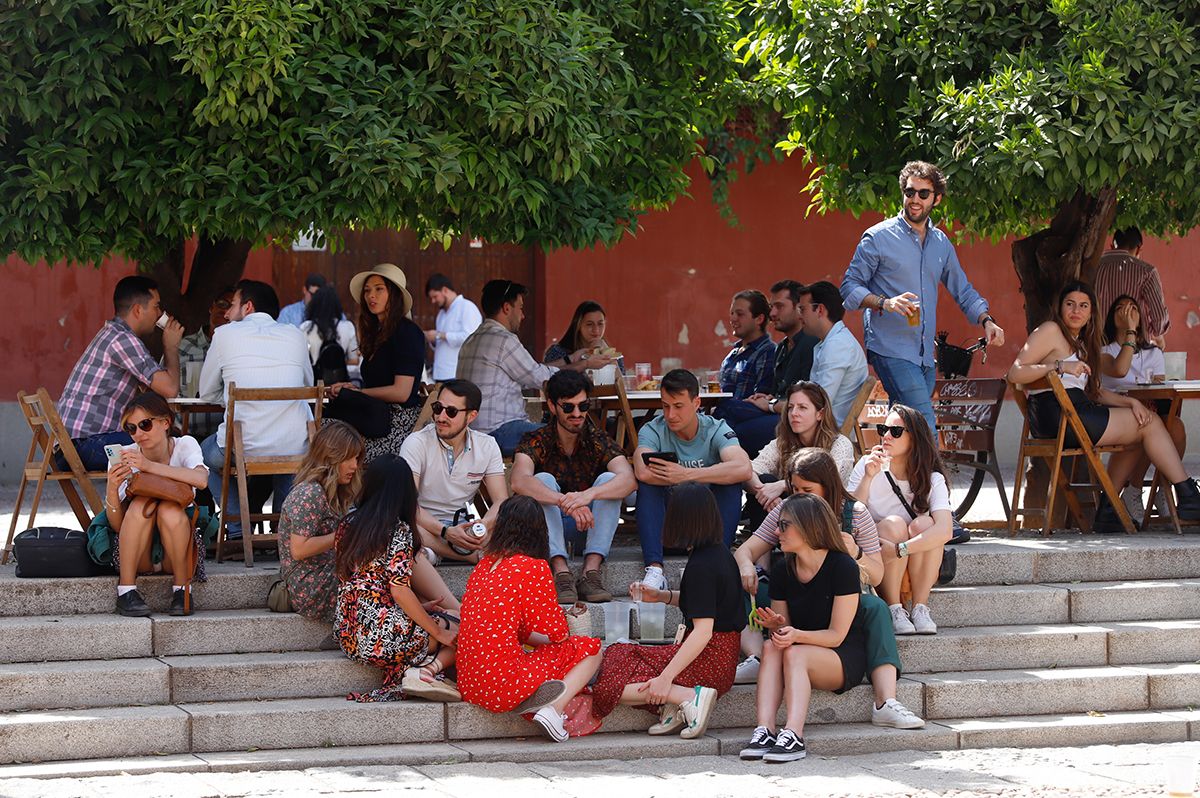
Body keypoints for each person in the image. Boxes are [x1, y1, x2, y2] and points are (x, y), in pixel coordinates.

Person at [734, 449, 924, 730]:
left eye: (807, 489)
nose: (799, 496)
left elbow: (877, 574)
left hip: (841, 597)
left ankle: (886, 701)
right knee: (740, 585)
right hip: (796, 592)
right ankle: (758, 656)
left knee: (875, 608)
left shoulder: (854, 514)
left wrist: (856, 553)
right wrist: (746, 567)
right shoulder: (786, 512)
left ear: (828, 486)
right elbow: (745, 551)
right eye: (794, 488)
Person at [1006, 281, 1200, 531]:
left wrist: (1130, 402)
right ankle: (1188, 496)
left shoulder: (1081, 343)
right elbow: (1015, 373)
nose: (1076, 310)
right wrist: (1059, 367)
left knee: (1141, 425)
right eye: (1070, 304)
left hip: (1071, 412)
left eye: (1083, 306)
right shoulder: (1050, 330)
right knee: (1150, 424)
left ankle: (1109, 510)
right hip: (1059, 414)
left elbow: (1094, 391)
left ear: (1091, 313)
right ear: (1060, 308)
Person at [840, 160, 1005, 435]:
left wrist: (987, 320)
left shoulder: (941, 243)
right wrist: (885, 302)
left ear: (936, 199)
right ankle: (936, 479)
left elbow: (962, 289)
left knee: (901, 428)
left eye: (923, 194)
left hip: (925, 356)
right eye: (909, 192)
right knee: (924, 424)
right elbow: (849, 287)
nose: (914, 199)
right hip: (890, 348)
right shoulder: (878, 237)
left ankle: (887, 476)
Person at [589, 483, 744, 738]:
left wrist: (665, 679)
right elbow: (707, 602)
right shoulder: (718, 554)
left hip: (708, 661)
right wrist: (662, 596)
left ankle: (686, 697)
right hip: (722, 658)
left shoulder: (701, 565)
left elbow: (703, 631)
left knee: (609, 682)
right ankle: (677, 703)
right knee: (620, 655)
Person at [456, 495, 603, 742]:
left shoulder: (484, 565)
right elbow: (558, 633)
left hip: (470, 686)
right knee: (591, 649)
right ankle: (554, 712)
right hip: (501, 687)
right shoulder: (532, 567)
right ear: (539, 530)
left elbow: (516, 629)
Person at [738, 493, 867, 763]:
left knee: (795, 653)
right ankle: (765, 730)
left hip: (841, 655)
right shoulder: (784, 569)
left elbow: (837, 635)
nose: (776, 531)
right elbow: (784, 634)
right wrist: (778, 627)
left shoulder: (843, 566)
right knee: (771, 646)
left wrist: (796, 636)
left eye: (785, 525)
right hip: (801, 649)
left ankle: (794, 735)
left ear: (810, 527)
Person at [334, 455, 461, 703]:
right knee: (460, 627)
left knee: (446, 619)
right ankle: (426, 673)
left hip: (349, 634)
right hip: (382, 636)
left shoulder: (346, 524)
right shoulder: (397, 530)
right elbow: (400, 590)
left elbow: (360, 585)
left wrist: (420, 610)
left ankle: (425, 669)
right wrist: (437, 630)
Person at [198, 279, 313, 542]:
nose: (226, 313)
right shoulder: (295, 335)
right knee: (289, 460)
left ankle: (239, 529)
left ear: (248, 307)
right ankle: (285, 532)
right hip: (294, 445)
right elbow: (306, 386)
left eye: (233, 305)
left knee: (203, 454)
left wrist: (230, 397)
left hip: (243, 446)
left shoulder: (224, 334)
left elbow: (206, 392)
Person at [510, 370, 636, 604]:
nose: (577, 414)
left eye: (583, 406)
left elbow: (628, 479)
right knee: (543, 479)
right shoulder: (536, 439)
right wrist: (564, 502)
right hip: (546, 533)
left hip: (589, 528)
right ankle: (561, 572)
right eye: (568, 407)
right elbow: (519, 480)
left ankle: (591, 571)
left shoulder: (597, 439)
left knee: (610, 479)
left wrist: (587, 495)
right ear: (552, 405)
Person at [633, 369, 752, 591]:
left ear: (696, 403)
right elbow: (641, 470)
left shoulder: (716, 428)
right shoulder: (653, 429)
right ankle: (655, 569)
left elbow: (743, 468)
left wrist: (686, 475)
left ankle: (717, 561)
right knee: (648, 486)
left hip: (706, 531)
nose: (670, 415)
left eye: (678, 406)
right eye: (665, 405)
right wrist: (686, 478)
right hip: (669, 529)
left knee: (731, 482)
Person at [457, 280, 608, 455]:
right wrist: (586, 364)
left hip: (472, 433)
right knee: (573, 435)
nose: (522, 315)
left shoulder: (472, 340)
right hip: (497, 433)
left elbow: (534, 370)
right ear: (507, 308)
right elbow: (542, 377)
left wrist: (571, 359)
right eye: (520, 308)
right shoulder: (504, 340)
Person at [57, 275, 184, 471]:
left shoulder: (113, 334)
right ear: (138, 310)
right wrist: (171, 347)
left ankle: (152, 502)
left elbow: (152, 392)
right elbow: (169, 389)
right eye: (156, 306)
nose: (160, 314)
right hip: (85, 446)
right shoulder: (122, 340)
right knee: (173, 445)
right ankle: (166, 503)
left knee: (166, 439)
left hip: (71, 446)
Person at [847, 404, 953, 635]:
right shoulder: (867, 465)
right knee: (894, 524)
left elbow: (945, 531)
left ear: (914, 439)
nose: (886, 436)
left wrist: (900, 549)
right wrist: (868, 477)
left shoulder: (932, 478)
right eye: (884, 429)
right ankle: (894, 608)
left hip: (904, 554)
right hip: (875, 550)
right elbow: (851, 515)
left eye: (895, 431)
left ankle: (920, 607)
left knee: (925, 524)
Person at [102, 393, 209, 617]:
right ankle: (126, 591)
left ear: (165, 423)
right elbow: (118, 524)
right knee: (142, 504)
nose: (139, 434)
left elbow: (201, 480)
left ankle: (182, 590)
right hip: (139, 552)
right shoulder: (126, 455)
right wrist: (112, 489)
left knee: (169, 508)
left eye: (145, 424)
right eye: (132, 428)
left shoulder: (184, 445)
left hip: (177, 552)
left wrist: (149, 466)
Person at [400, 379, 509, 564]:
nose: (441, 417)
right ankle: (464, 555)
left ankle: (439, 553)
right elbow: (407, 505)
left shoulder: (487, 445)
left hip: (463, 526)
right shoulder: (416, 443)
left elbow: (501, 501)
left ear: (472, 416)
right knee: (399, 526)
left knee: (515, 523)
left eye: (451, 411)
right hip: (423, 526)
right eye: (437, 408)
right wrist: (445, 532)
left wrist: (484, 525)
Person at [1099, 295, 1186, 521]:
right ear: (1111, 317)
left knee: (1175, 426)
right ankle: (1134, 490)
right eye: (1120, 308)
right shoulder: (1104, 351)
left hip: (1147, 410)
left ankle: (1160, 489)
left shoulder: (1153, 353)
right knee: (1145, 423)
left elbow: (1159, 389)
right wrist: (1130, 331)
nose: (1127, 311)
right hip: (1116, 413)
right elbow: (1119, 369)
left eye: (1133, 308)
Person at [327, 263, 425, 461]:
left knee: (328, 438)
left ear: (394, 294)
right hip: (373, 417)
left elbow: (401, 392)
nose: (371, 296)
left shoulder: (407, 333)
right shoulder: (377, 334)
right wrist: (351, 391)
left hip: (398, 424)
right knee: (323, 424)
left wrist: (359, 393)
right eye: (367, 291)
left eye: (379, 289)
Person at [276, 421, 364, 622]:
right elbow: (299, 549)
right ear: (331, 457)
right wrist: (345, 533)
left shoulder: (333, 491)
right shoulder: (310, 493)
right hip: (311, 587)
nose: (354, 465)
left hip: (331, 571)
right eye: (348, 458)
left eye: (357, 458)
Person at [725, 280, 819, 459]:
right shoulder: (782, 347)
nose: (773, 313)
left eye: (779, 307)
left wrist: (771, 403)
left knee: (733, 429)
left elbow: (808, 398)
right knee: (726, 411)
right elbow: (778, 392)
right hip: (776, 411)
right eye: (771, 307)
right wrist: (767, 397)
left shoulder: (810, 344)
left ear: (799, 309)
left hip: (795, 419)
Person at [744, 381, 856, 530]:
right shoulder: (782, 443)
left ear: (820, 414)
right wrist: (765, 494)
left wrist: (784, 485)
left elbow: (826, 482)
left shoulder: (840, 444)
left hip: (825, 517)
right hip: (786, 515)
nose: (794, 413)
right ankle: (762, 552)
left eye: (802, 407)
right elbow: (748, 471)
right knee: (764, 481)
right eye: (790, 408)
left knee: (772, 485)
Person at [797, 280, 867, 428]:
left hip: (828, 432)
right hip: (819, 425)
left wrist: (773, 405)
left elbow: (819, 401)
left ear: (820, 310)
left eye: (803, 309)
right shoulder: (833, 341)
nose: (799, 316)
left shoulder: (838, 344)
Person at [1096, 227, 1169, 348]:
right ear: (1139, 248)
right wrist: (1151, 332)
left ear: (1113, 245)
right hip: (1135, 345)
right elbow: (1159, 317)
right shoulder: (1146, 271)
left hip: (1099, 344)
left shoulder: (1093, 267)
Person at [544, 300, 625, 380]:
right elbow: (545, 376)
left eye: (600, 324)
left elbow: (621, 386)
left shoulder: (615, 356)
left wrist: (608, 355)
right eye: (589, 324)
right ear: (578, 325)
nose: (596, 330)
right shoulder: (558, 352)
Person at [425, 273, 483, 382]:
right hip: (440, 373)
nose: (433, 301)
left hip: (458, 373)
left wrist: (439, 335)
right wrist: (432, 339)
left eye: (435, 296)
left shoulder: (467, 307)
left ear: (445, 290)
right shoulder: (441, 314)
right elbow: (441, 344)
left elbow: (471, 338)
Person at [178, 286, 235, 396]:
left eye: (232, 308)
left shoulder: (239, 351)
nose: (225, 310)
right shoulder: (182, 347)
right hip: (187, 413)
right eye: (222, 304)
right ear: (212, 307)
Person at [300, 286, 359, 385]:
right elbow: (354, 360)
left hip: (314, 385)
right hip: (339, 387)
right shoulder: (347, 327)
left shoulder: (306, 328)